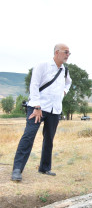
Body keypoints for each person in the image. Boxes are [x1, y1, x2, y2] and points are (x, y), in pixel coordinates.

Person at [11, 43, 72, 182]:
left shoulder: (65, 71)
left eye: (69, 53)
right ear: (57, 52)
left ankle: (45, 168)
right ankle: (17, 169)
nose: (68, 55)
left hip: (54, 110)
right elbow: (34, 85)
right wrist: (37, 107)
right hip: (38, 108)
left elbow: (68, 83)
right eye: (66, 52)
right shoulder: (42, 65)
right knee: (28, 136)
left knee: (49, 139)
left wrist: (64, 92)